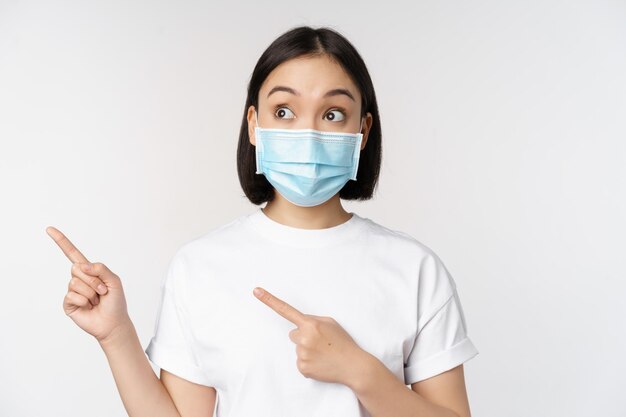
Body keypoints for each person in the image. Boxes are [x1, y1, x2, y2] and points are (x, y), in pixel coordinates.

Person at [47, 25, 479, 417]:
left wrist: (360, 371)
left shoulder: (414, 269)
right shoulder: (200, 266)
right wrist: (116, 335)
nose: (308, 133)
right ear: (254, 125)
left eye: (333, 114)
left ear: (362, 132)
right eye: (284, 112)